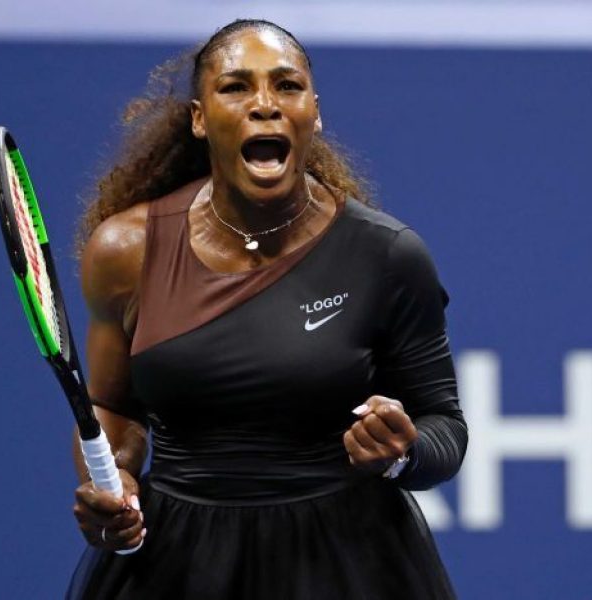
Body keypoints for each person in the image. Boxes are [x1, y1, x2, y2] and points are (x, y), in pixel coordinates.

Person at [67, 18, 467, 600]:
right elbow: (112, 406)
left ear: (314, 113)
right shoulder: (125, 251)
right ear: (199, 118)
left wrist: (403, 453)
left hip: (346, 564)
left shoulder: (387, 254)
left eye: (287, 85)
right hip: (178, 564)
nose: (264, 105)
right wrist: (113, 482)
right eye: (235, 87)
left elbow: (444, 427)